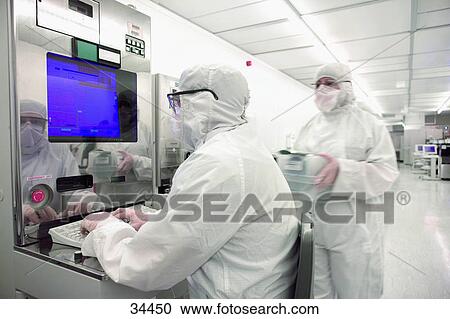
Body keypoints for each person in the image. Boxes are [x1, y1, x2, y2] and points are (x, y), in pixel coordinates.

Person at [80, 65, 299, 298]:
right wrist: (156, 220)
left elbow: (146, 265)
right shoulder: (244, 147)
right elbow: (212, 220)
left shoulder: (217, 160)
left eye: (177, 104)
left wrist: (105, 228)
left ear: (202, 103)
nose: (175, 114)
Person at [294, 63, 399, 298]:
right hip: (316, 225)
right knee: (318, 293)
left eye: (330, 83)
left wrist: (342, 169)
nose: (322, 89)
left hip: (355, 229)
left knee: (355, 293)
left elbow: (386, 172)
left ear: (347, 87)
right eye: (318, 84)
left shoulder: (369, 124)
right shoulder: (310, 126)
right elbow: (299, 167)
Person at [20, 100, 81, 225]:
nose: (28, 127)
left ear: (44, 125)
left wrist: (80, 199)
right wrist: (18, 210)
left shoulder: (57, 149)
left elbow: (76, 186)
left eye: (36, 122)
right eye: (21, 121)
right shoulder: (5, 152)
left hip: (50, 227)